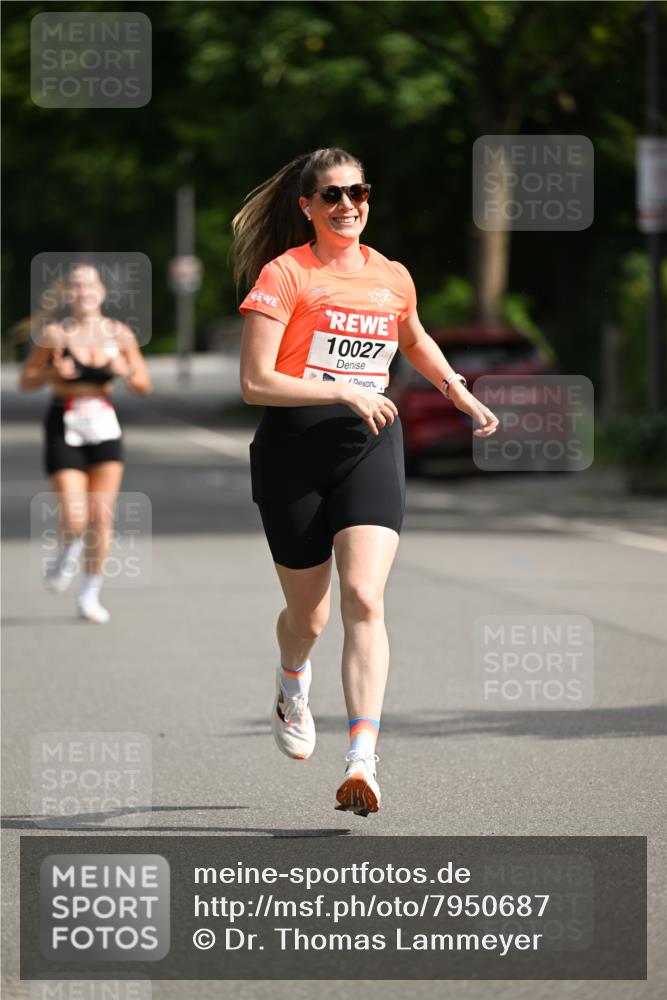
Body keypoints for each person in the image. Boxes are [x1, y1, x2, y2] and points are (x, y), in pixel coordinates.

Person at [232, 148, 498, 816]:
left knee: (364, 596)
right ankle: (292, 678)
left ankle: (361, 760)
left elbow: (412, 338)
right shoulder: (285, 273)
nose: (347, 205)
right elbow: (254, 381)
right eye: (331, 195)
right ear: (307, 207)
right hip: (293, 453)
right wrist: (340, 389)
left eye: (358, 192)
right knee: (308, 615)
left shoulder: (391, 275)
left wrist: (457, 390)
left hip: (368, 446)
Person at [19, 261, 152, 623]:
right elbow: (26, 380)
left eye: (90, 285)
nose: (84, 292)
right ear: (67, 294)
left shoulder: (120, 334)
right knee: (75, 514)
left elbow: (143, 385)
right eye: (76, 286)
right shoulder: (54, 335)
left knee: (101, 516)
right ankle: (66, 550)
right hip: (65, 419)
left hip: (104, 422)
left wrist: (126, 372)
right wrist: (51, 372)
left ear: (102, 292)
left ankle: (89, 595)